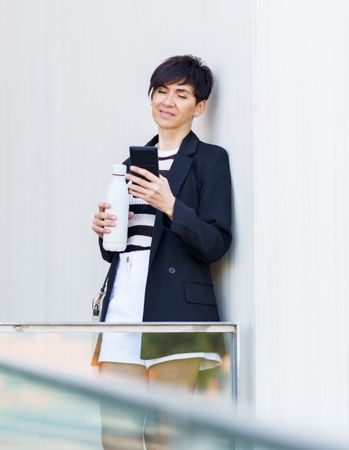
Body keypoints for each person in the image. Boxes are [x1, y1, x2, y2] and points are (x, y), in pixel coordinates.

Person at [90, 55, 232, 449]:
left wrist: (170, 205)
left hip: (176, 316)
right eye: (161, 91)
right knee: (116, 438)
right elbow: (125, 248)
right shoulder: (129, 164)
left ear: (199, 107)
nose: (168, 101)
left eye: (181, 94)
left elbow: (217, 242)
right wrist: (105, 232)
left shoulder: (210, 161)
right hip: (122, 312)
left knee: (164, 439)